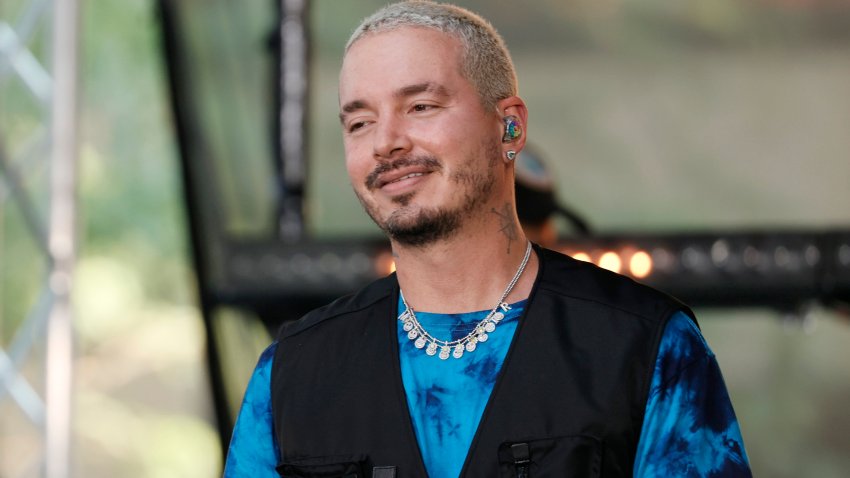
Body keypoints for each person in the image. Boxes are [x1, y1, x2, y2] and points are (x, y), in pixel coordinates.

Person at [224, 2, 752, 477]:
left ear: (510, 128)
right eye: (359, 122)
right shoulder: (291, 373)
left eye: (421, 106)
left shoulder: (646, 344)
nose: (386, 142)